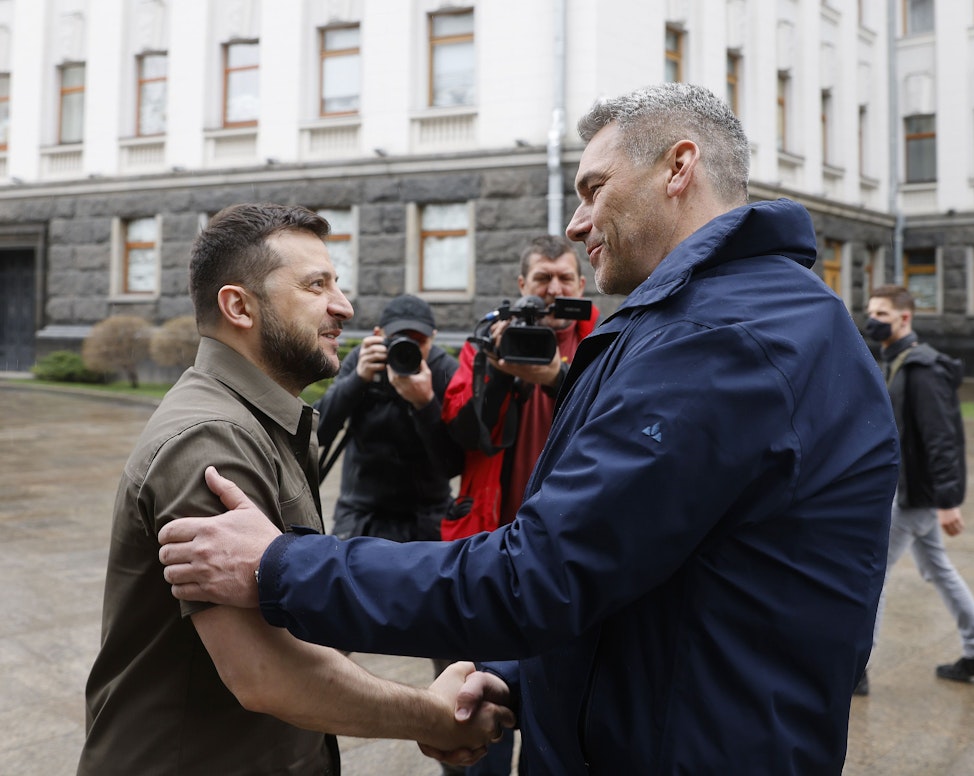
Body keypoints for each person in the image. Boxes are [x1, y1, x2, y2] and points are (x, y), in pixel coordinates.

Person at [158, 84, 899, 774]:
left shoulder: (724, 339)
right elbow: (641, 582)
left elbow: (539, 575)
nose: (576, 225)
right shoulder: (711, 319)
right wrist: (518, 681)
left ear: (679, 167)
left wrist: (280, 567)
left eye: (593, 189)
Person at [78, 203, 511, 776]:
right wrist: (434, 717)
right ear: (239, 306)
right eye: (316, 286)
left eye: (338, 284)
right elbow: (267, 674)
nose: (344, 307)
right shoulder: (212, 441)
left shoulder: (256, 419)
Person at [441, 236, 598, 774]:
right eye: (542, 280)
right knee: (472, 723)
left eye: (565, 279)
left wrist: (557, 378)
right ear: (521, 287)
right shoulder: (488, 340)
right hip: (487, 550)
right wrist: (497, 370)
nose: (554, 289)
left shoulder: (607, 345)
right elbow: (465, 432)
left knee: (558, 722)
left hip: (567, 564)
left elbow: (617, 424)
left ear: (581, 286)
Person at [859, 284, 974, 695]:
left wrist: (947, 500)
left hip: (915, 495)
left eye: (882, 314)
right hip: (908, 488)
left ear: (905, 318)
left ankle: (855, 669)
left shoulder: (921, 368)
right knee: (939, 566)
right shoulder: (897, 361)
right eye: (871, 313)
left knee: (873, 575)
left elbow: (941, 439)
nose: (873, 321)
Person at [315, 293, 462, 544]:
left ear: (433, 338)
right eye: (399, 340)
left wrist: (424, 403)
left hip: (427, 517)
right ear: (378, 336)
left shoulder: (444, 370)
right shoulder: (364, 359)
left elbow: (452, 464)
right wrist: (358, 379)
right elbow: (317, 433)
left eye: (419, 341)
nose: (409, 349)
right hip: (362, 515)